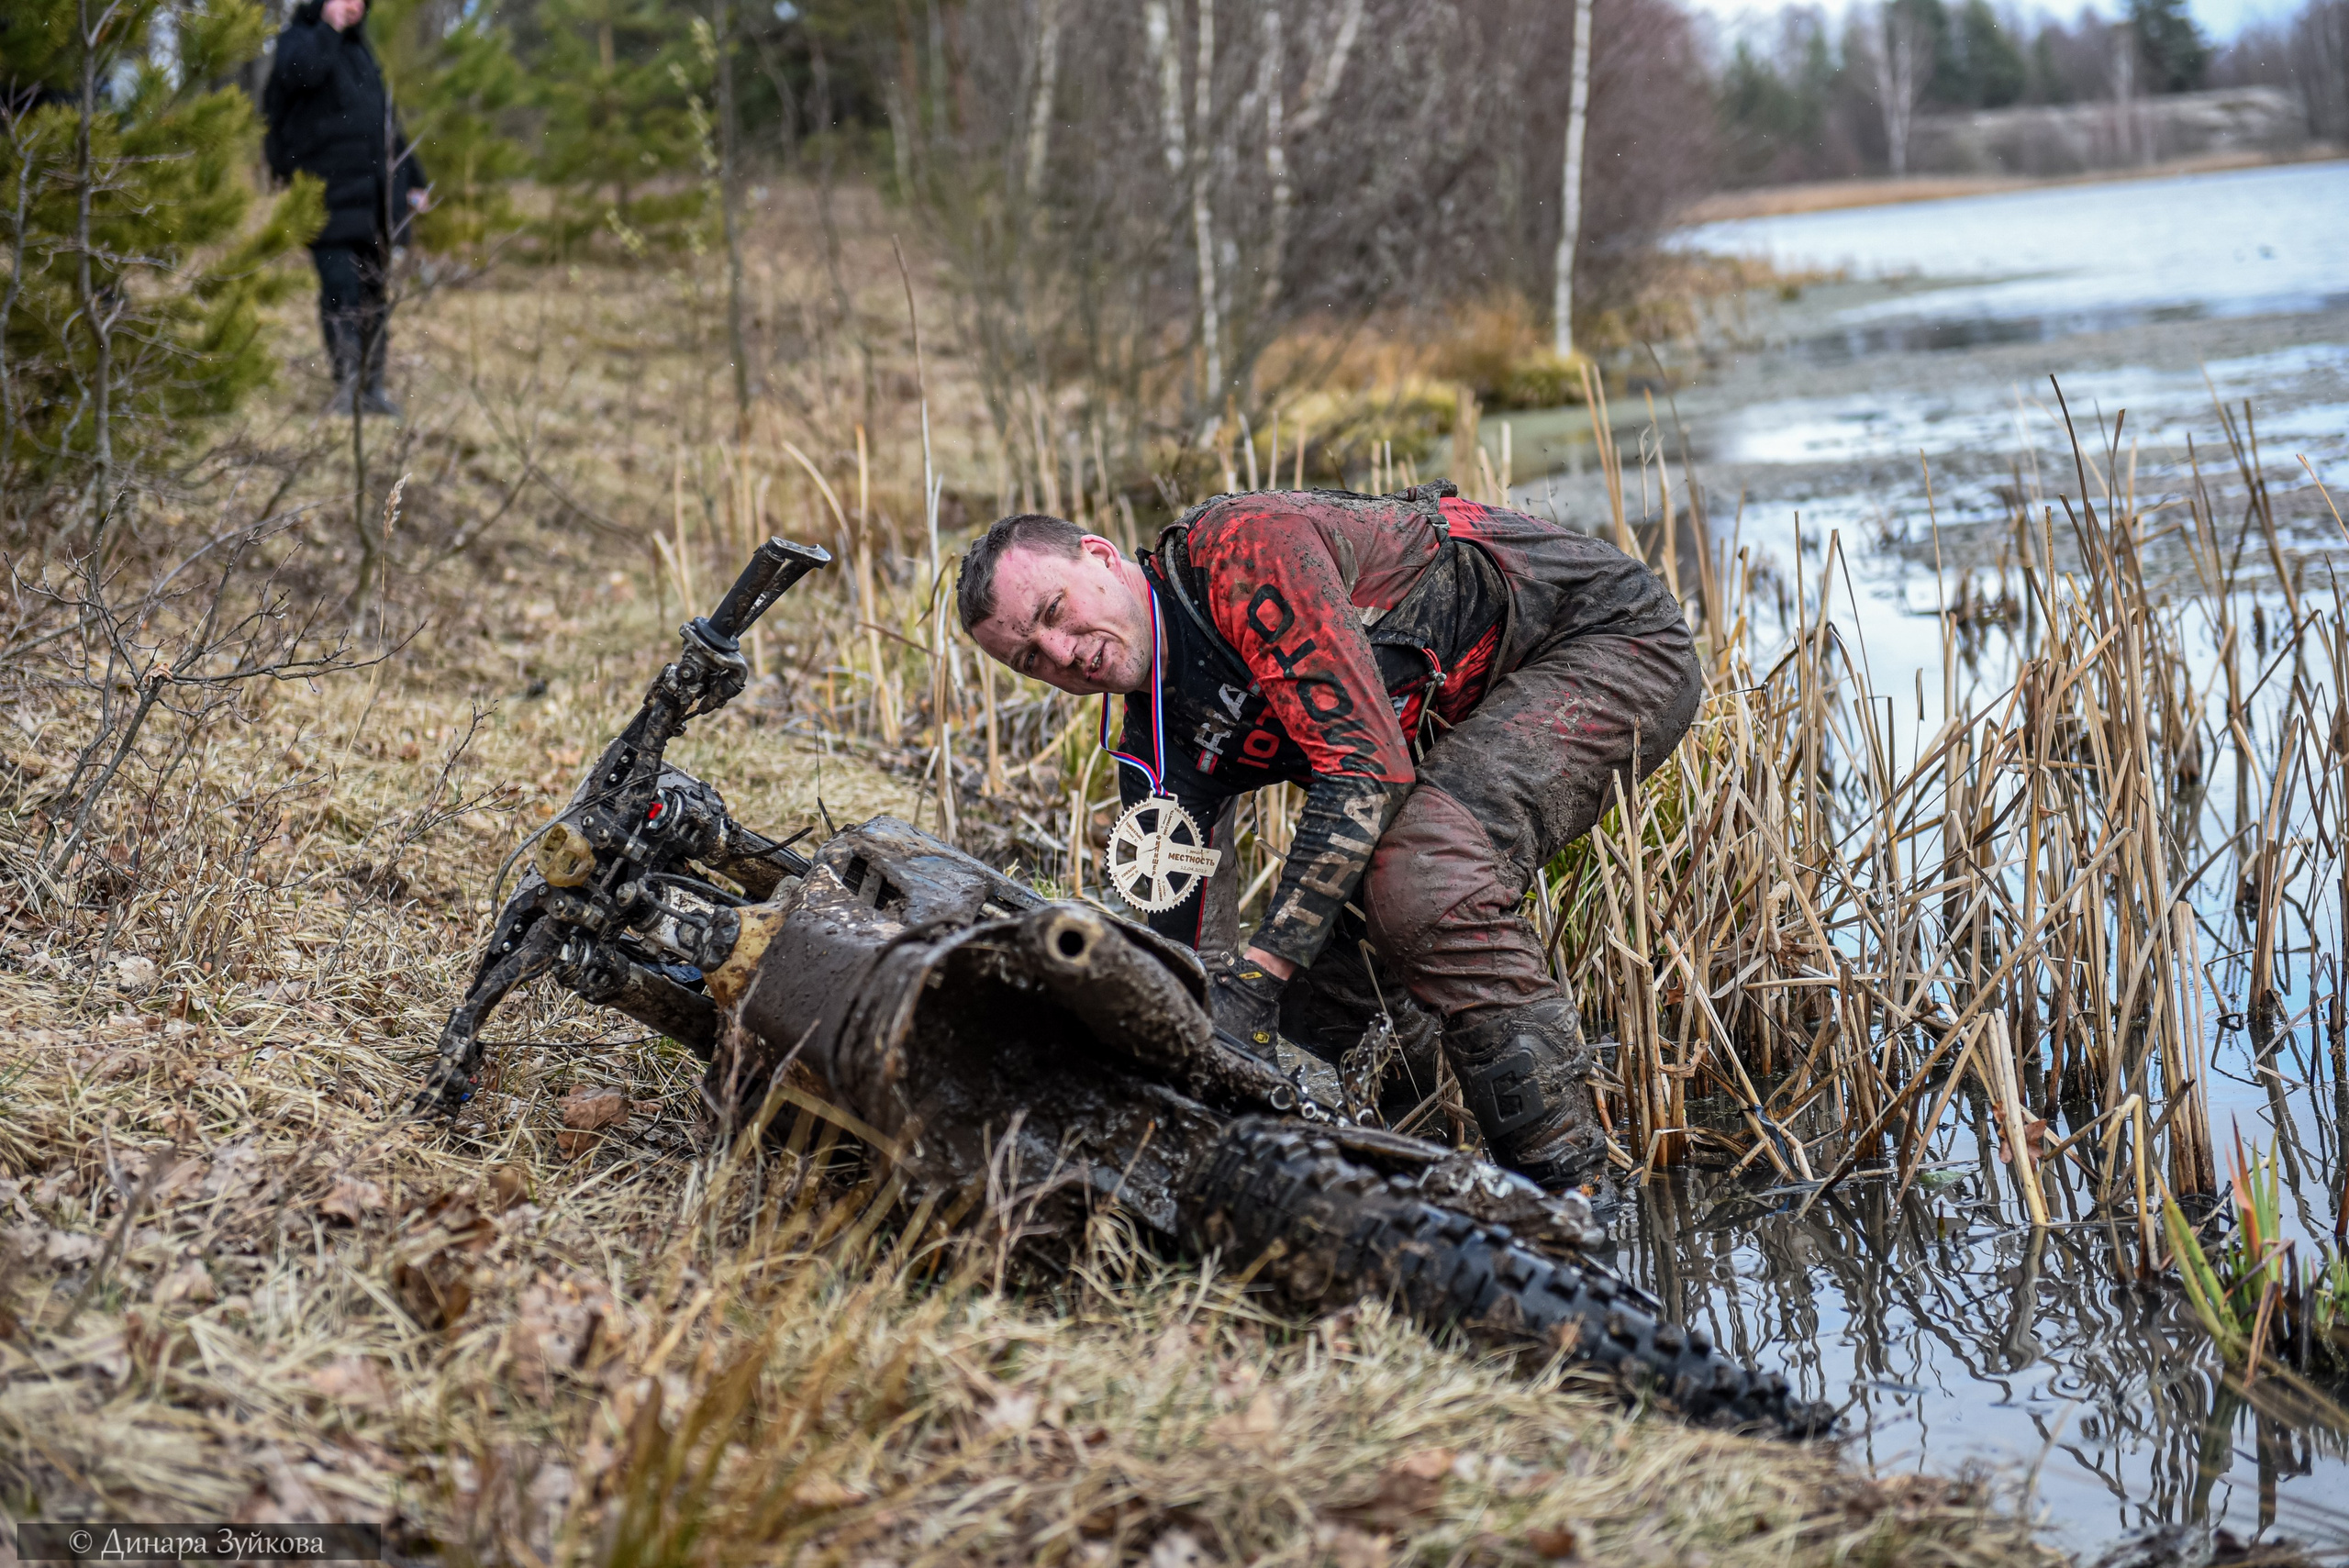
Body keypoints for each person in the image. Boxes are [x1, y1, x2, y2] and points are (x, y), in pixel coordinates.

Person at [955, 484, 1699, 1195]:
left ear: (1099, 554)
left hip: (1603, 639)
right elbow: (1190, 974)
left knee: (1421, 878)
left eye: (1055, 611)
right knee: (1313, 1003)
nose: (1060, 652)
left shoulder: (1243, 552)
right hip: (1452, 729)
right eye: (1030, 658)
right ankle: (1438, 1174)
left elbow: (1367, 771)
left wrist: (1259, 974)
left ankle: (1569, 1188)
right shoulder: (1155, 755)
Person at [262, 0, 429, 417]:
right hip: (325, 199)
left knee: (374, 294)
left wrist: (415, 179)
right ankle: (348, 388)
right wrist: (329, 29)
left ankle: (373, 388)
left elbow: (387, 125)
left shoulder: (360, 54)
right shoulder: (298, 41)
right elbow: (302, 74)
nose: (353, 6)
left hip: (373, 202)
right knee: (341, 290)